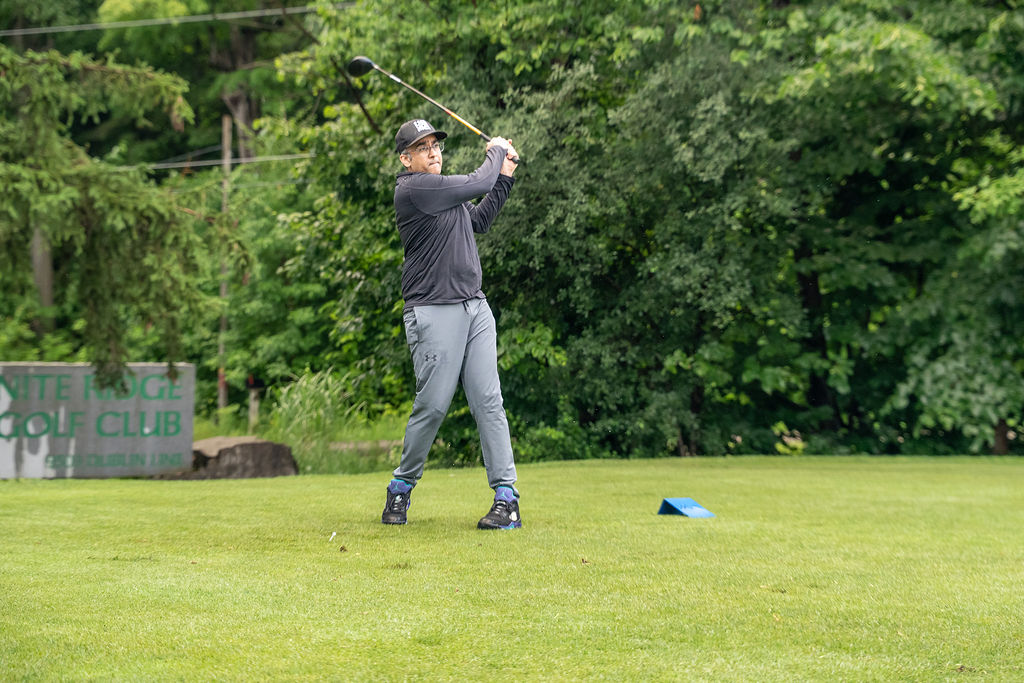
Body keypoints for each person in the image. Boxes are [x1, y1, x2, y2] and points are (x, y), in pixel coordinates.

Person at [381, 118, 522, 530]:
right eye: (422, 148)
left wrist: (505, 177)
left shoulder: (444, 194)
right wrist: (496, 151)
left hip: (475, 307)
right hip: (432, 309)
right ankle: (402, 485)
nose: (433, 152)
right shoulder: (415, 189)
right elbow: (479, 182)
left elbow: (479, 220)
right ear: (406, 159)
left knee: (488, 401)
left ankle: (506, 498)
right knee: (434, 404)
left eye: (435, 145)